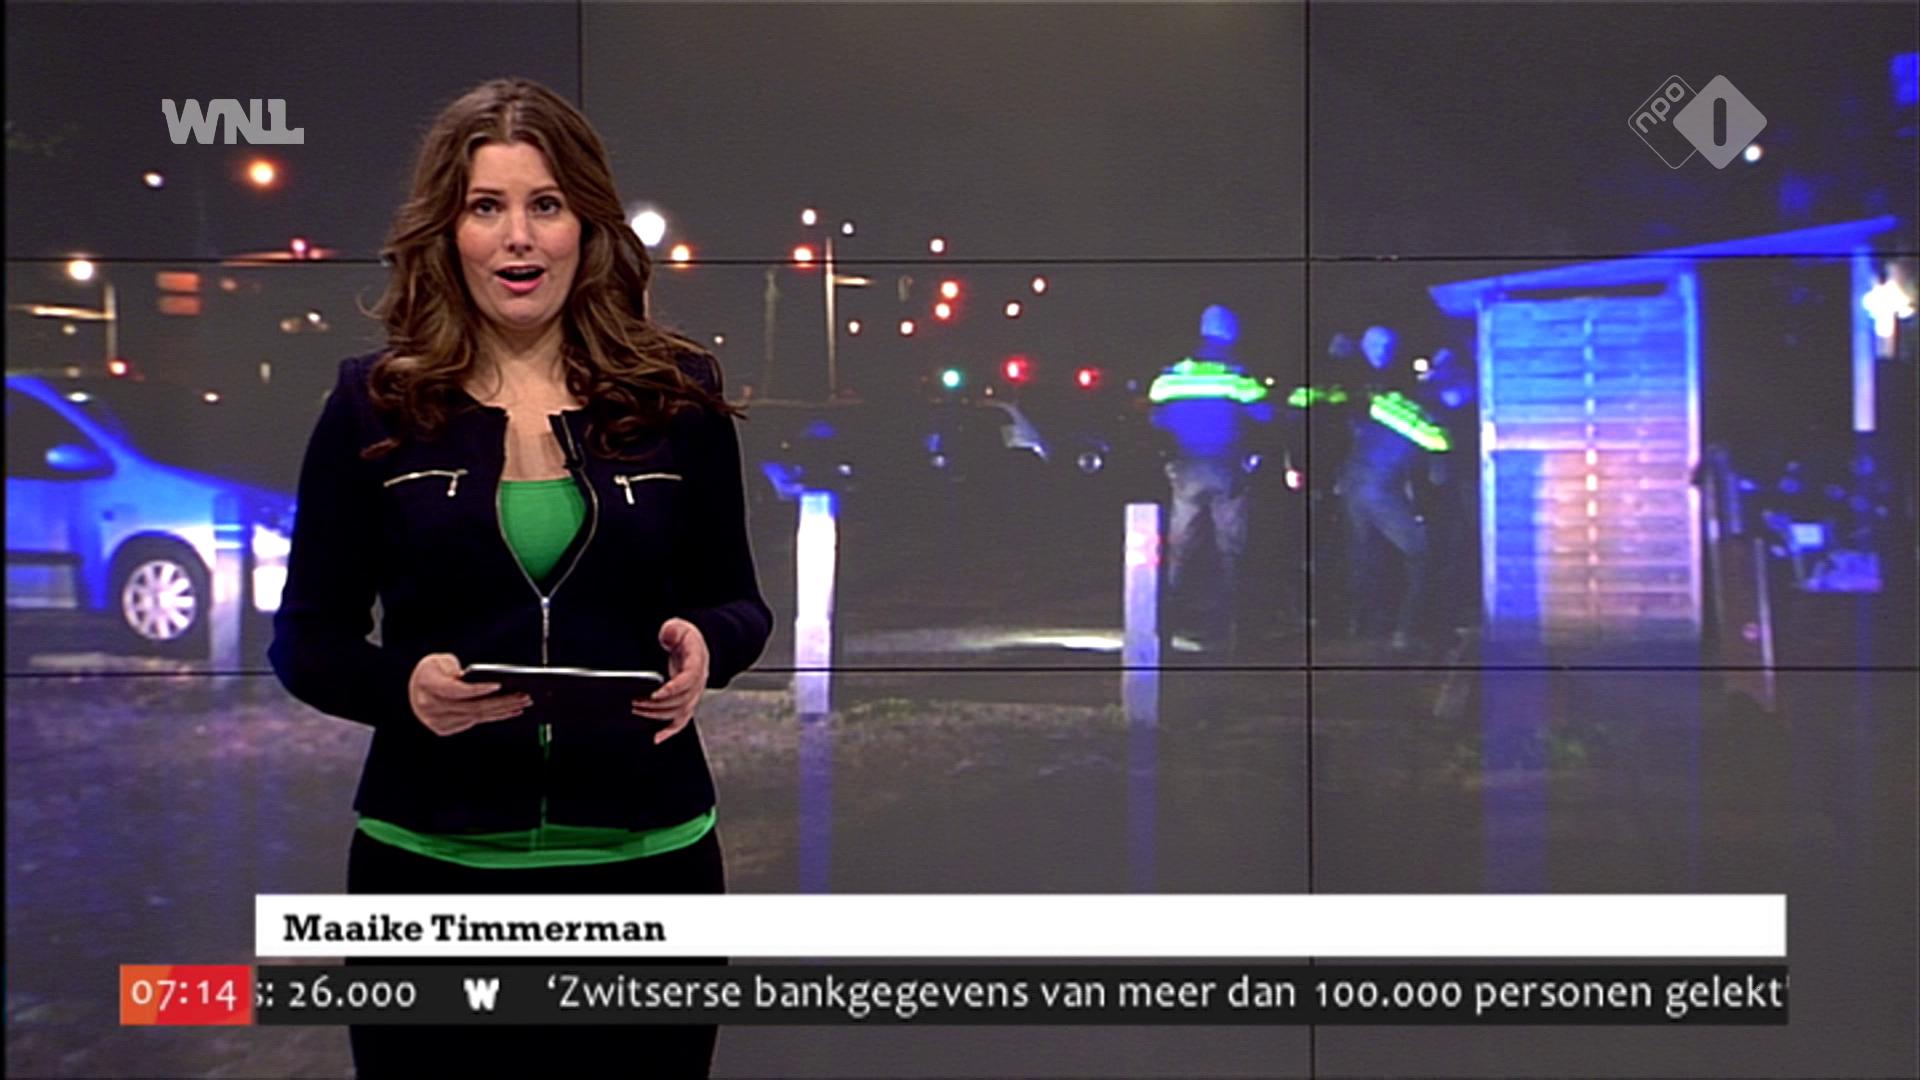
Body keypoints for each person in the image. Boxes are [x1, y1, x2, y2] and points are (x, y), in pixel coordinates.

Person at [267, 77, 771, 1077]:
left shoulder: (675, 395)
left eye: (545, 204)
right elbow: (306, 640)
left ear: (587, 225)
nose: (518, 238)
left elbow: (741, 604)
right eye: (486, 207)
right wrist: (402, 690)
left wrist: (706, 647)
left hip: (646, 875)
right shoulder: (375, 405)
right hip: (429, 878)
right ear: (447, 231)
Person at [1148, 304, 1273, 653]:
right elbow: (1264, 413)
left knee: (1178, 552)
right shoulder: (1235, 375)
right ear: (1231, 334)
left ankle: (1161, 628)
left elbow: (1155, 417)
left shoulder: (1173, 373)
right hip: (1225, 469)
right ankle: (1230, 632)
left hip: (1186, 469)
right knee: (1231, 551)